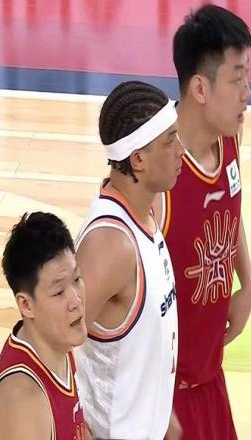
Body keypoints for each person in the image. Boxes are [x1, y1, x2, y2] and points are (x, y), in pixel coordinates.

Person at [155, 5, 251, 439]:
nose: (247, 92)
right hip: (165, 402)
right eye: (236, 79)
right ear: (200, 87)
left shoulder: (230, 137)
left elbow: (230, 208)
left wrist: (247, 281)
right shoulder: (154, 170)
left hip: (212, 381)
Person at [75, 80, 184, 440]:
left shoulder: (144, 214)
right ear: (138, 159)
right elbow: (51, 344)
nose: (181, 150)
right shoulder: (110, 246)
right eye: (170, 141)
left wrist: (161, 417)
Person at [0, 212, 88, 440]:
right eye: (59, 292)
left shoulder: (57, 345)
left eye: (77, 279)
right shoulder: (24, 404)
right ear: (26, 305)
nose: (76, 300)